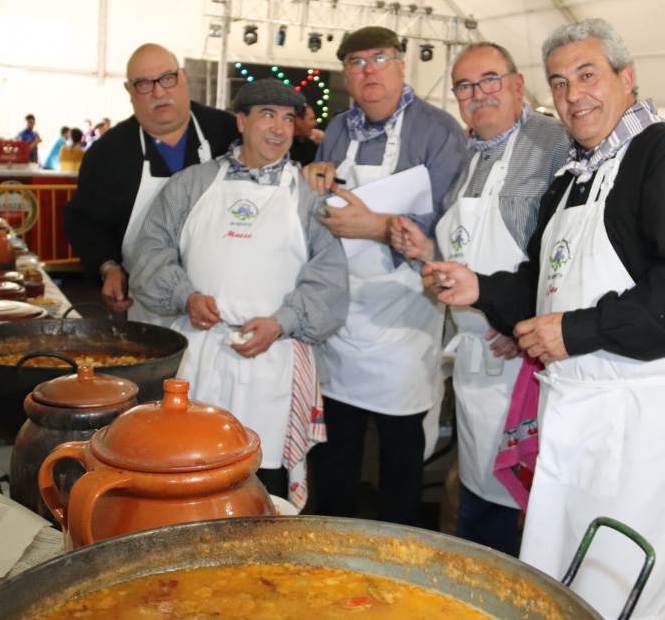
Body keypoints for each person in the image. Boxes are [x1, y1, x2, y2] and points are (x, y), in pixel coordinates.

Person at [423, 18, 665, 620]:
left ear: (627, 78)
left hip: (642, 420)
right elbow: (546, 283)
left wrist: (576, 332)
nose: (573, 95)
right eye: (560, 82)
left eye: (587, 75)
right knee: (560, 569)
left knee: (620, 578)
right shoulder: (576, 177)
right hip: (576, 411)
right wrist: (480, 288)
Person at [125, 79, 349, 507]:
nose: (279, 130)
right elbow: (150, 251)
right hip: (198, 358)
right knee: (190, 470)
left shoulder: (309, 198)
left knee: (263, 488)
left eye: (288, 119)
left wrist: (282, 322)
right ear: (242, 121)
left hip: (274, 360)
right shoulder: (192, 185)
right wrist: (185, 295)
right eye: (268, 115)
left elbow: (330, 281)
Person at [387, 41, 568, 555]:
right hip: (475, 358)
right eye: (464, 86)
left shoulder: (555, 145)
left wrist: (522, 321)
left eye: (489, 80)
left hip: (529, 359)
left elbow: (566, 252)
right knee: (480, 496)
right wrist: (429, 253)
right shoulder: (467, 155)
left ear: (517, 84)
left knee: (531, 506)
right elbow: (463, 244)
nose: (477, 94)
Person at [300, 26, 467, 528]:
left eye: (379, 58)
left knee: (400, 462)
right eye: (356, 62)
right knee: (334, 458)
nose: (369, 70)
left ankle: (398, 564)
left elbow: (450, 225)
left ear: (400, 65)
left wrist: (375, 226)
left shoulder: (438, 131)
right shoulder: (336, 131)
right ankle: (327, 558)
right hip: (339, 320)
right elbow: (320, 213)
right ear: (346, 76)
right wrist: (314, 181)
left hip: (404, 317)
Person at [63, 43, 240, 320]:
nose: (159, 92)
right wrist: (108, 267)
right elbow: (86, 222)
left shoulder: (228, 133)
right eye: (144, 83)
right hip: (149, 303)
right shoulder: (107, 153)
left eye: (167, 78)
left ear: (182, 76)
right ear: (129, 91)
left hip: (223, 300)